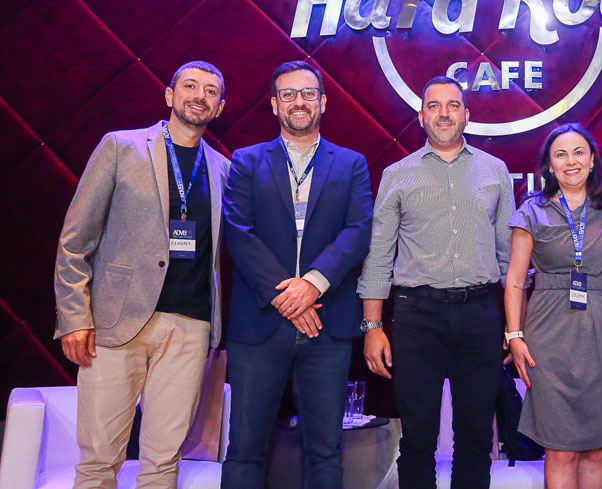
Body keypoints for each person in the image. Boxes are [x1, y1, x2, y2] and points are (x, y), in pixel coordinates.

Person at [53, 61, 229, 488]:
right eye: (190, 86)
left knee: (164, 461)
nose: (199, 96)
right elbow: (75, 240)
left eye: (210, 91)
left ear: (220, 107)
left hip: (190, 329)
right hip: (116, 323)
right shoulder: (120, 147)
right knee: (98, 460)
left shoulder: (224, 168)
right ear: (169, 95)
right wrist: (74, 317)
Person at [220, 60, 373, 489]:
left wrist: (312, 285)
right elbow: (238, 232)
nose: (298, 102)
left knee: (325, 451)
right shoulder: (247, 161)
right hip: (259, 326)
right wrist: (288, 296)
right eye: (288, 94)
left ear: (323, 102)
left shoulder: (351, 163)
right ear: (274, 105)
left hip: (327, 326)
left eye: (307, 93)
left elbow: (359, 230)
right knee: (245, 449)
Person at [358, 76, 515, 489]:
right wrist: (372, 327)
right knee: (417, 438)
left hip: (481, 314)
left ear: (467, 114)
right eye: (434, 106)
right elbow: (379, 257)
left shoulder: (495, 171)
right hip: (417, 316)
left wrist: (513, 326)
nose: (444, 114)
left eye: (452, 105)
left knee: (476, 439)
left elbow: (509, 258)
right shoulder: (397, 174)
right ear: (421, 116)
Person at [505, 123, 602, 489]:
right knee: (560, 449)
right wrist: (515, 336)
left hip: (601, 333)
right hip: (548, 335)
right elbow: (515, 281)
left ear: (592, 160)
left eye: (579, 152)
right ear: (549, 166)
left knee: (596, 447)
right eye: (560, 155)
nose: (571, 161)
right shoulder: (531, 212)